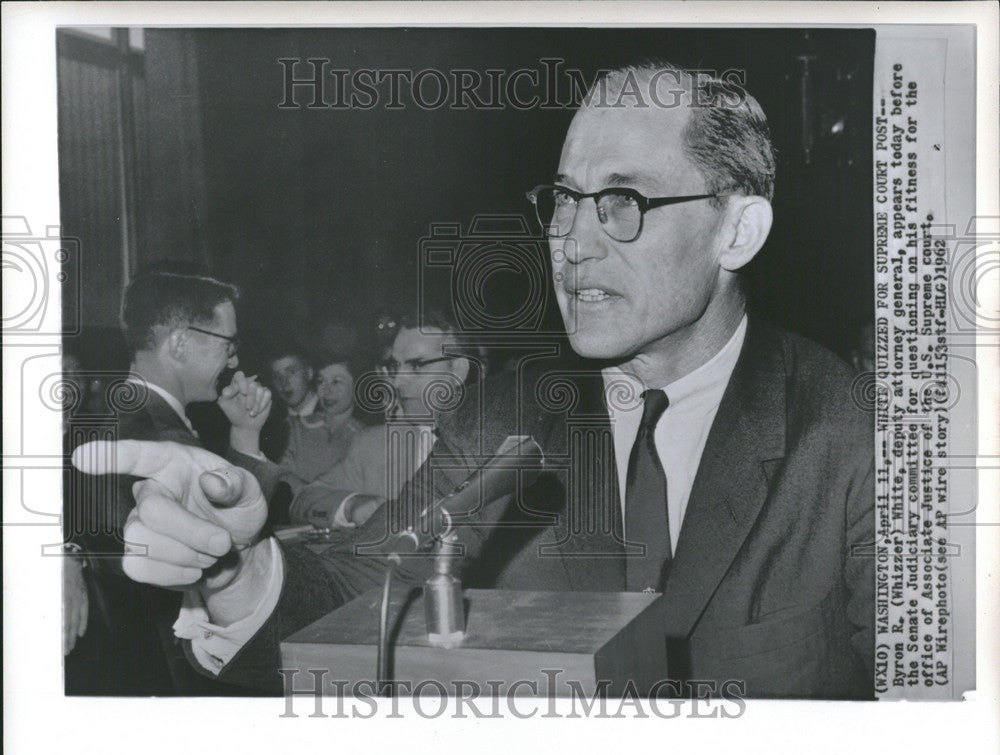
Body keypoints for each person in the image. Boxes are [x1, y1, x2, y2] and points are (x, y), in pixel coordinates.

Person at [74, 63, 875, 699]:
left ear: (738, 229)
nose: (571, 243)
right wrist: (234, 565)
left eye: (621, 202)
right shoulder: (515, 410)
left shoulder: (852, 430)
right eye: (563, 201)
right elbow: (372, 577)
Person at [65, 270, 275, 695]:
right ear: (180, 342)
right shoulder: (152, 432)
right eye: (227, 344)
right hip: (175, 675)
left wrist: (244, 434)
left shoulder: (121, 414)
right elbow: (231, 549)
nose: (233, 361)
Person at [287, 312, 473, 529]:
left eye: (416, 365)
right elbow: (302, 501)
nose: (398, 381)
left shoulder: (497, 441)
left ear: (458, 370)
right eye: (396, 366)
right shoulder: (373, 445)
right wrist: (350, 506)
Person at [230, 348, 368, 485]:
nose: (284, 382)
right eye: (277, 376)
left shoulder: (359, 426)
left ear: (309, 374)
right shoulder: (271, 423)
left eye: (291, 372)